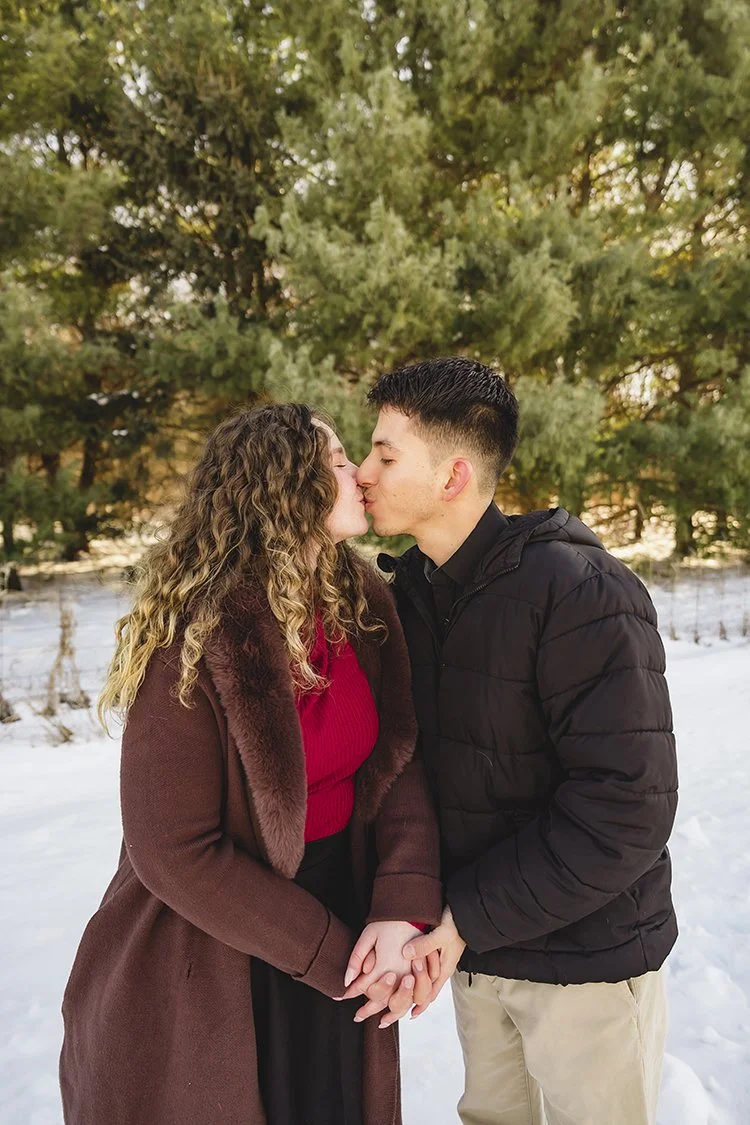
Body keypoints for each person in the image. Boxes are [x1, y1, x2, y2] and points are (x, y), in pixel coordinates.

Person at [59, 403, 443, 1125]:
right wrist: (337, 957)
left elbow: (396, 765)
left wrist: (400, 911)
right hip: (219, 940)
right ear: (283, 488)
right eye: (336, 462)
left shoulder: (363, 603)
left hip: (348, 914)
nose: (358, 474)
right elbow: (172, 849)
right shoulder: (197, 633)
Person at [353, 357, 678, 1125]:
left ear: (453, 475)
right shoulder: (410, 600)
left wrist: (464, 916)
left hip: (587, 970)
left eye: (385, 454)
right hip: (477, 957)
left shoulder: (579, 593)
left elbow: (627, 808)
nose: (364, 471)